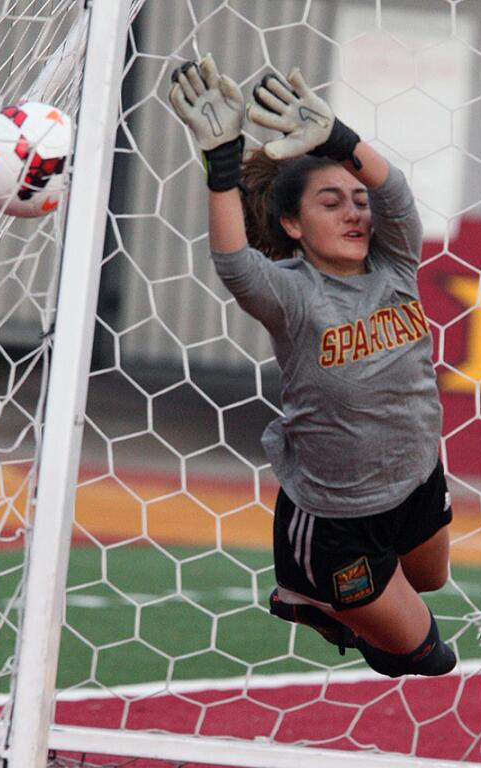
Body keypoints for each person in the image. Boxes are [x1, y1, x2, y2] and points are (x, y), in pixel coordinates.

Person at [168, 55, 456, 678]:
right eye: (332, 202)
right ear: (293, 224)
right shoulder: (293, 294)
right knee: (426, 657)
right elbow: (235, 265)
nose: (356, 212)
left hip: (417, 476)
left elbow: (396, 194)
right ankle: (311, 588)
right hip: (340, 518)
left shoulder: (394, 266)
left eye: (358, 200)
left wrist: (339, 140)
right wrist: (222, 164)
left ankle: (345, 595)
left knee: (430, 579)